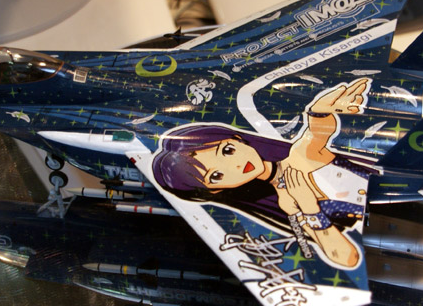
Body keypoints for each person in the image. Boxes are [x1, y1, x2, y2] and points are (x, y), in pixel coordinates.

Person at [151, 79, 377, 270]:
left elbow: (317, 130)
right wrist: (310, 210)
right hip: (383, 223)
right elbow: (346, 258)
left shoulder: (299, 154)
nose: (236, 166)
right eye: (216, 176)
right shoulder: (288, 203)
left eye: (227, 151)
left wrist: (319, 109)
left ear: (237, 139)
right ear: (216, 190)